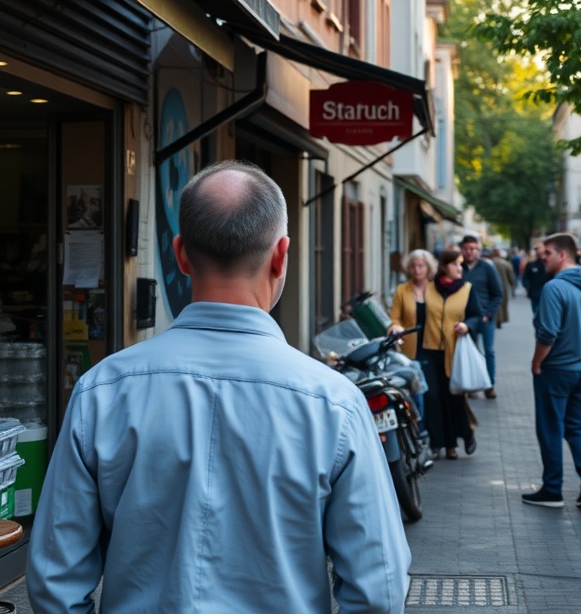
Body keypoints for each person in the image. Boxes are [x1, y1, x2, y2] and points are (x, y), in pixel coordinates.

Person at [27, 161, 410, 613]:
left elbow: (54, 580)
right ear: (281, 255)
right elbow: (378, 590)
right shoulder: (334, 403)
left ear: (181, 255)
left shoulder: (102, 390)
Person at [522, 232, 581, 510]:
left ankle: (552, 489)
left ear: (562, 255)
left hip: (556, 370)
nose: (541, 258)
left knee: (549, 428)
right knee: (576, 426)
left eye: (547, 253)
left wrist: (536, 363)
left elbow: (547, 333)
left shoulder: (554, 288)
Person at [412, 248, 483, 459]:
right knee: (433, 397)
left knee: (453, 398)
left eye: (461, 264)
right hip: (429, 350)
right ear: (444, 267)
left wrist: (466, 326)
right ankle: (437, 444)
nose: (460, 268)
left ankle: (459, 438)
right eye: (455, 264)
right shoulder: (429, 289)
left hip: (455, 351)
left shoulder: (467, 289)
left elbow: (476, 316)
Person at [387, 249, 436, 428]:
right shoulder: (402, 290)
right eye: (413, 266)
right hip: (410, 348)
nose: (417, 270)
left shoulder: (436, 289)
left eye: (421, 266)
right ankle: (418, 430)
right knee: (416, 392)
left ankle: (433, 434)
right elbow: (395, 317)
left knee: (432, 393)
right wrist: (395, 326)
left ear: (428, 268)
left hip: (433, 347)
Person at [460, 235, 503, 398]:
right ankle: (473, 385)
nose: (469, 252)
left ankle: (489, 385)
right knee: (471, 352)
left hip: (485, 318)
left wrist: (488, 314)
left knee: (489, 351)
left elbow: (498, 294)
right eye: (466, 248)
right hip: (467, 320)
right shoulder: (458, 268)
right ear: (462, 250)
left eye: (473, 249)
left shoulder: (487, 268)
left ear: (478, 250)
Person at [522, 241, 551, 316]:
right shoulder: (531, 264)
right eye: (536, 249)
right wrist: (528, 287)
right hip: (535, 294)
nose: (538, 251)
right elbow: (525, 277)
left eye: (539, 248)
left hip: (548, 295)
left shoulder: (550, 264)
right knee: (537, 315)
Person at [490, 249, 516, 330]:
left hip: (491, 286)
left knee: (494, 303)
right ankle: (500, 320)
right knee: (503, 303)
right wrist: (512, 287)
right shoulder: (505, 263)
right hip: (503, 286)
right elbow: (511, 276)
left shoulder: (490, 263)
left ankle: (495, 319)